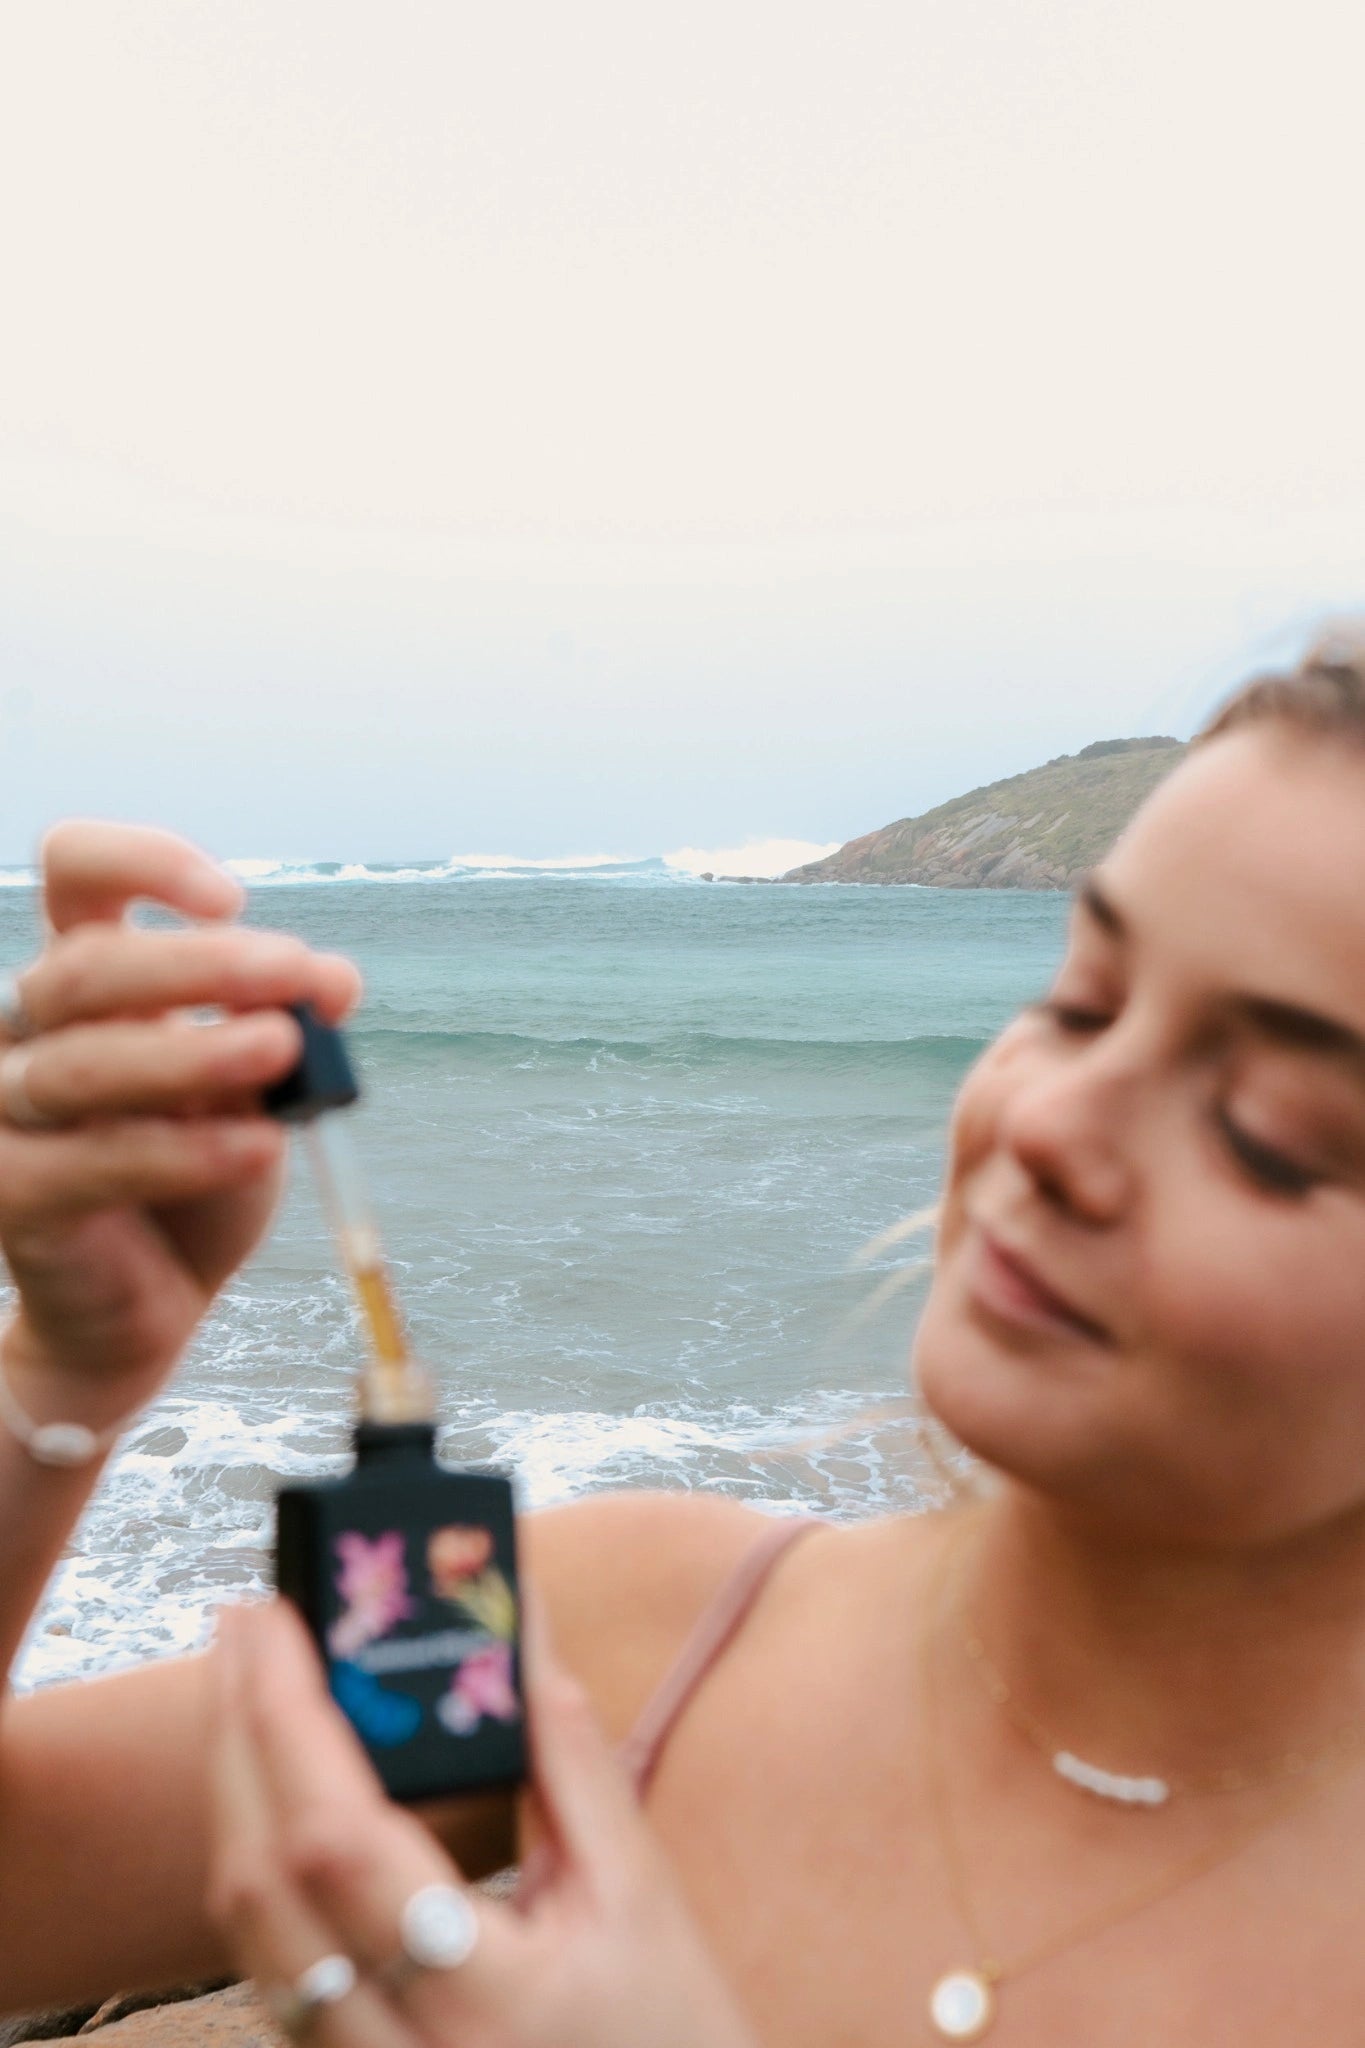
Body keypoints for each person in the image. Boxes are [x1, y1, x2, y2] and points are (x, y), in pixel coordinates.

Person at [2, 634, 1365, 2045]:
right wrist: (65, 1368)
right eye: (1079, 1003)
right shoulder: (630, 1635)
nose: (1048, 1125)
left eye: (1266, 1133)